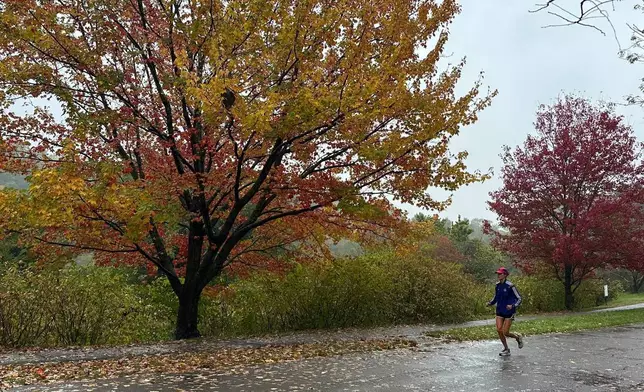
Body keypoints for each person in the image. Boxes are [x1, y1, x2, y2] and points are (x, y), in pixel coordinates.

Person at [487, 267, 524, 356]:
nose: (498, 275)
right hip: (499, 310)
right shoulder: (497, 285)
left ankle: (517, 337)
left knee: (505, 332)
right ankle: (506, 349)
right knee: (499, 330)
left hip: (509, 312)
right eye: (498, 274)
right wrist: (490, 303)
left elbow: (519, 298)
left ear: (505, 275)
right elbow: (496, 297)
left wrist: (512, 305)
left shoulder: (511, 286)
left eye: (500, 274)